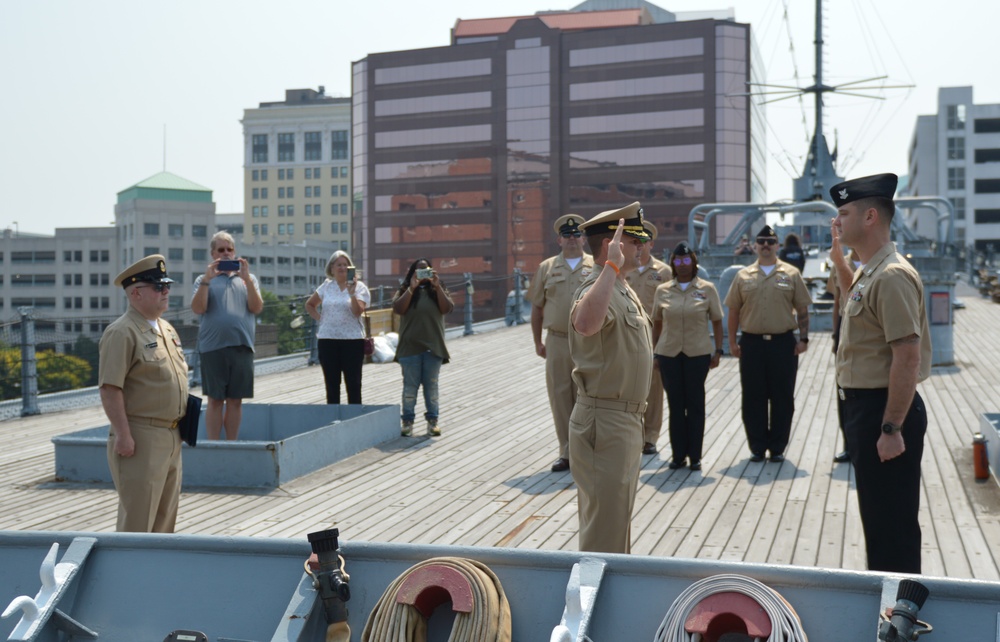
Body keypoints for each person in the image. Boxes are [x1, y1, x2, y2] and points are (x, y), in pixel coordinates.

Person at [829, 173, 931, 574]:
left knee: (892, 527)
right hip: (866, 410)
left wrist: (891, 428)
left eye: (844, 213)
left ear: (870, 216)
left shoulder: (890, 276)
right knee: (879, 521)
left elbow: (906, 356)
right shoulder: (870, 271)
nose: (837, 221)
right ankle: (889, 602)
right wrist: (839, 262)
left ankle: (901, 614)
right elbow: (855, 295)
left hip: (883, 411)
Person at [568, 202, 652, 554]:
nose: (643, 246)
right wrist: (611, 267)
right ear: (612, 245)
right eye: (635, 240)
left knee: (616, 525)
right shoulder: (598, 285)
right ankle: (595, 605)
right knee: (605, 532)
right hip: (605, 420)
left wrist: (615, 271)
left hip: (626, 420)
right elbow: (586, 324)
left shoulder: (621, 286)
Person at [98, 255, 189, 533]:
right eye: (158, 288)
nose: (166, 292)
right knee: (137, 522)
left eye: (166, 286)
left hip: (171, 435)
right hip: (141, 436)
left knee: (164, 522)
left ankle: (156, 576)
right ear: (136, 293)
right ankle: (128, 577)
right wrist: (123, 435)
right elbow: (110, 387)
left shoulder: (166, 328)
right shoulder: (122, 332)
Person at [724, 225, 812, 463]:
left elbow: (802, 308)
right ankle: (757, 446)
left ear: (777, 246)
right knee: (753, 396)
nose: (765, 245)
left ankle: (778, 448)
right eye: (761, 241)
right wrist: (732, 342)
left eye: (770, 242)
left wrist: (803, 338)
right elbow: (733, 311)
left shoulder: (792, 274)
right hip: (751, 343)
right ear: (754, 245)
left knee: (783, 396)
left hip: (782, 343)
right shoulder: (742, 276)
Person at [527, 214, 595, 472]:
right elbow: (536, 307)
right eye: (567, 235)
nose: (572, 239)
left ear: (584, 239)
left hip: (588, 340)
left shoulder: (596, 267)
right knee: (560, 396)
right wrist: (537, 341)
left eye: (577, 234)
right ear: (559, 240)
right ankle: (566, 452)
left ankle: (586, 449)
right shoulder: (547, 268)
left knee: (587, 395)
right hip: (556, 340)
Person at [652, 242, 724, 471]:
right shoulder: (662, 290)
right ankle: (677, 455)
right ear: (672, 263)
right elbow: (657, 322)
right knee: (675, 404)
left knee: (695, 404)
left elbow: (717, 320)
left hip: (697, 353)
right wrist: (655, 353)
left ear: (693, 262)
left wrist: (719, 350)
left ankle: (695, 456)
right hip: (669, 354)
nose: (682, 264)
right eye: (678, 260)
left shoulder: (707, 288)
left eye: (686, 260)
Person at [190, 232, 263, 440]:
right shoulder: (202, 280)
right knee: (214, 400)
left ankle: (232, 443)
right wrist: (206, 280)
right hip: (213, 348)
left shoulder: (249, 279)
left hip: (242, 346)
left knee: (235, 400)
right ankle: (214, 444)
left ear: (235, 252)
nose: (226, 254)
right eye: (220, 250)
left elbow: (256, 307)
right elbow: (198, 308)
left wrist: (247, 279)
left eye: (229, 249)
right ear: (213, 254)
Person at [625, 220, 673, 455]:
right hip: (627, 334)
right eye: (636, 241)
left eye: (643, 241)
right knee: (628, 385)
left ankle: (651, 437)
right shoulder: (624, 269)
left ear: (651, 244)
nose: (640, 246)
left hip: (655, 334)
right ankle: (632, 433)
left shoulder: (664, 272)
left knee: (654, 389)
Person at [392, 258, 455, 436]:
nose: (422, 274)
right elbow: (398, 308)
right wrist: (411, 288)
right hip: (409, 347)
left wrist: (437, 286)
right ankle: (407, 422)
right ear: (412, 273)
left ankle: (433, 421)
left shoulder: (437, 290)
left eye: (426, 270)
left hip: (433, 347)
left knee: (431, 387)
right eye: (419, 271)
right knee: (409, 388)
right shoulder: (405, 290)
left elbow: (447, 308)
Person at [305, 251, 371, 404]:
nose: (342, 268)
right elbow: (310, 305)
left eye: (345, 265)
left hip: (352, 340)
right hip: (328, 340)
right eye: (339, 265)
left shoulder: (360, 287)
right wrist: (321, 319)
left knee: (353, 384)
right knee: (332, 385)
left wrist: (352, 293)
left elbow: (357, 311)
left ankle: (354, 419)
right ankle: (333, 420)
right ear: (332, 268)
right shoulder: (327, 286)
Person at [828, 248, 862, 464]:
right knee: (843, 389)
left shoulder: (881, 263)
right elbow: (837, 302)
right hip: (846, 325)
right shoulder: (840, 264)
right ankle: (848, 444)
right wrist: (835, 336)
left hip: (871, 327)